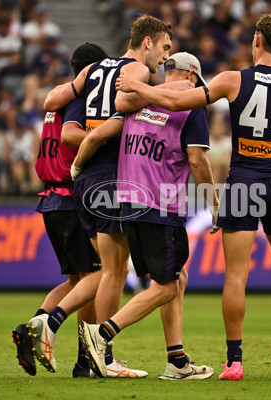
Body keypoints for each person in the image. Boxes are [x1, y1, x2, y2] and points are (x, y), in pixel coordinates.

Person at [115, 12, 271, 381]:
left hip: (243, 179)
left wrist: (141, 90)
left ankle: (234, 361)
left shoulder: (233, 79)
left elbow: (180, 103)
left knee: (236, 276)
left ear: (256, 40)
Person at [27, 14, 174, 378]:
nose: (165, 58)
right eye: (165, 48)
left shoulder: (93, 69)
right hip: (110, 173)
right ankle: (93, 350)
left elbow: (54, 99)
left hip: (87, 178)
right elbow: (125, 108)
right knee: (112, 270)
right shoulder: (137, 72)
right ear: (147, 42)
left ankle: (81, 351)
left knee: (106, 270)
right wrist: (156, 99)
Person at [75, 52, 217, 380]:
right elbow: (197, 160)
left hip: (129, 204)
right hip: (161, 204)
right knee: (168, 286)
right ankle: (103, 334)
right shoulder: (192, 107)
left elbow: (97, 134)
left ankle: (177, 361)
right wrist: (214, 203)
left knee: (172, 280)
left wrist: (77, 168)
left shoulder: (137, 100)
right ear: (193, 78)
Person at [11, 42, 107, 377]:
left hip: (50, 199)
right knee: (99, 275)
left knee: (77, 280)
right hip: (71, 197)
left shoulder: (57, 100)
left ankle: (31, 330)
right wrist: (106, 137)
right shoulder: (81, 101)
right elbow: (72, 137)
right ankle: (82, 356)